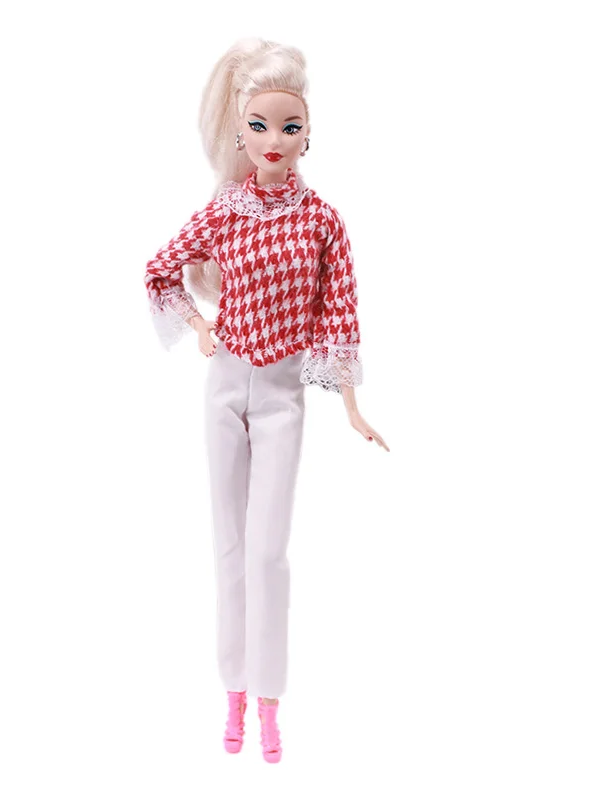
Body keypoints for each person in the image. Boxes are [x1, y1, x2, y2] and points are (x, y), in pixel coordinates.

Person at [144, 37, 390, 764]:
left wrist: (350, 404)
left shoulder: (323, 221)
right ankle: (233, 693)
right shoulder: (223, 211)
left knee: (268, 551)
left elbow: (340, 311)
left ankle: (271, 702)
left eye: (289, 126)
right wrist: (199, 325)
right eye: (259, 125)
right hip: (225, 385)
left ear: (308, 132)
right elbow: (159, 269)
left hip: (282, 393)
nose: (274, 139)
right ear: (239, 132)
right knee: (227, 543)